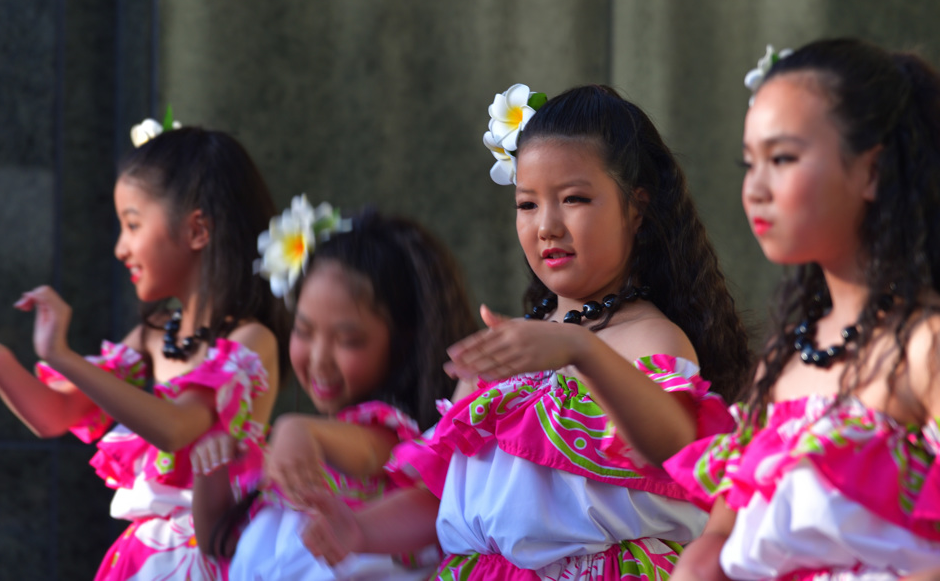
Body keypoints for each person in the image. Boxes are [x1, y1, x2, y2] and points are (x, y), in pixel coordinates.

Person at [301, 83, 753, 580]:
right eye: (527, 204)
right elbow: (448, 499)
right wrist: (358, 529)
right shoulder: (512, 348)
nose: (547, 226)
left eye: (574, 198)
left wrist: (580, 350)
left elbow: (673, 442)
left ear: (637, 209)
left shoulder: (651, 338)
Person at [0, 123, 290, 581]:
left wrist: (64, 356)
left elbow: (175, 429)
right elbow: (57, 415)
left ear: (196, 229)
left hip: (220, 558)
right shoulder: (153, 336)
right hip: (146, 558)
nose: (119, 248)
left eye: (132, 224)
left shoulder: (252, 341)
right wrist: (1, 364)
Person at [665, 38, 940, 581]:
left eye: (783, 158)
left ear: (872, 172)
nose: (755, 189)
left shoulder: (924, 345)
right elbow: (722, 531)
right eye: (750, 163)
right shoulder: (785, 358)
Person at [188, 201, 479, 580]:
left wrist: (300, 429)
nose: (319, 359)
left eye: (348, 340)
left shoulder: (391, 437)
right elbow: (219, 544)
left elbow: (372, 451)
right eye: (304, 331)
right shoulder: (293, 451)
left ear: (405, 342)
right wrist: (210, 474)